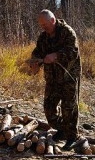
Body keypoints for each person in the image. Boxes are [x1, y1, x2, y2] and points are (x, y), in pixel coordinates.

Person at [29, 9, 81, 150]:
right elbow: (37, 52)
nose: (43, 27)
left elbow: (73, 52)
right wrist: (34, 63)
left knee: (68, 108)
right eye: (41, 25)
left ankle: (72, 136)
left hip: (68, 76)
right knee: (49, 109)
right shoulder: (43, 37)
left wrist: (56, 55)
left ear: (52, 20)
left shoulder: (67, 32)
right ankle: (63, 129)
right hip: (52, 78)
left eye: (45, 24)